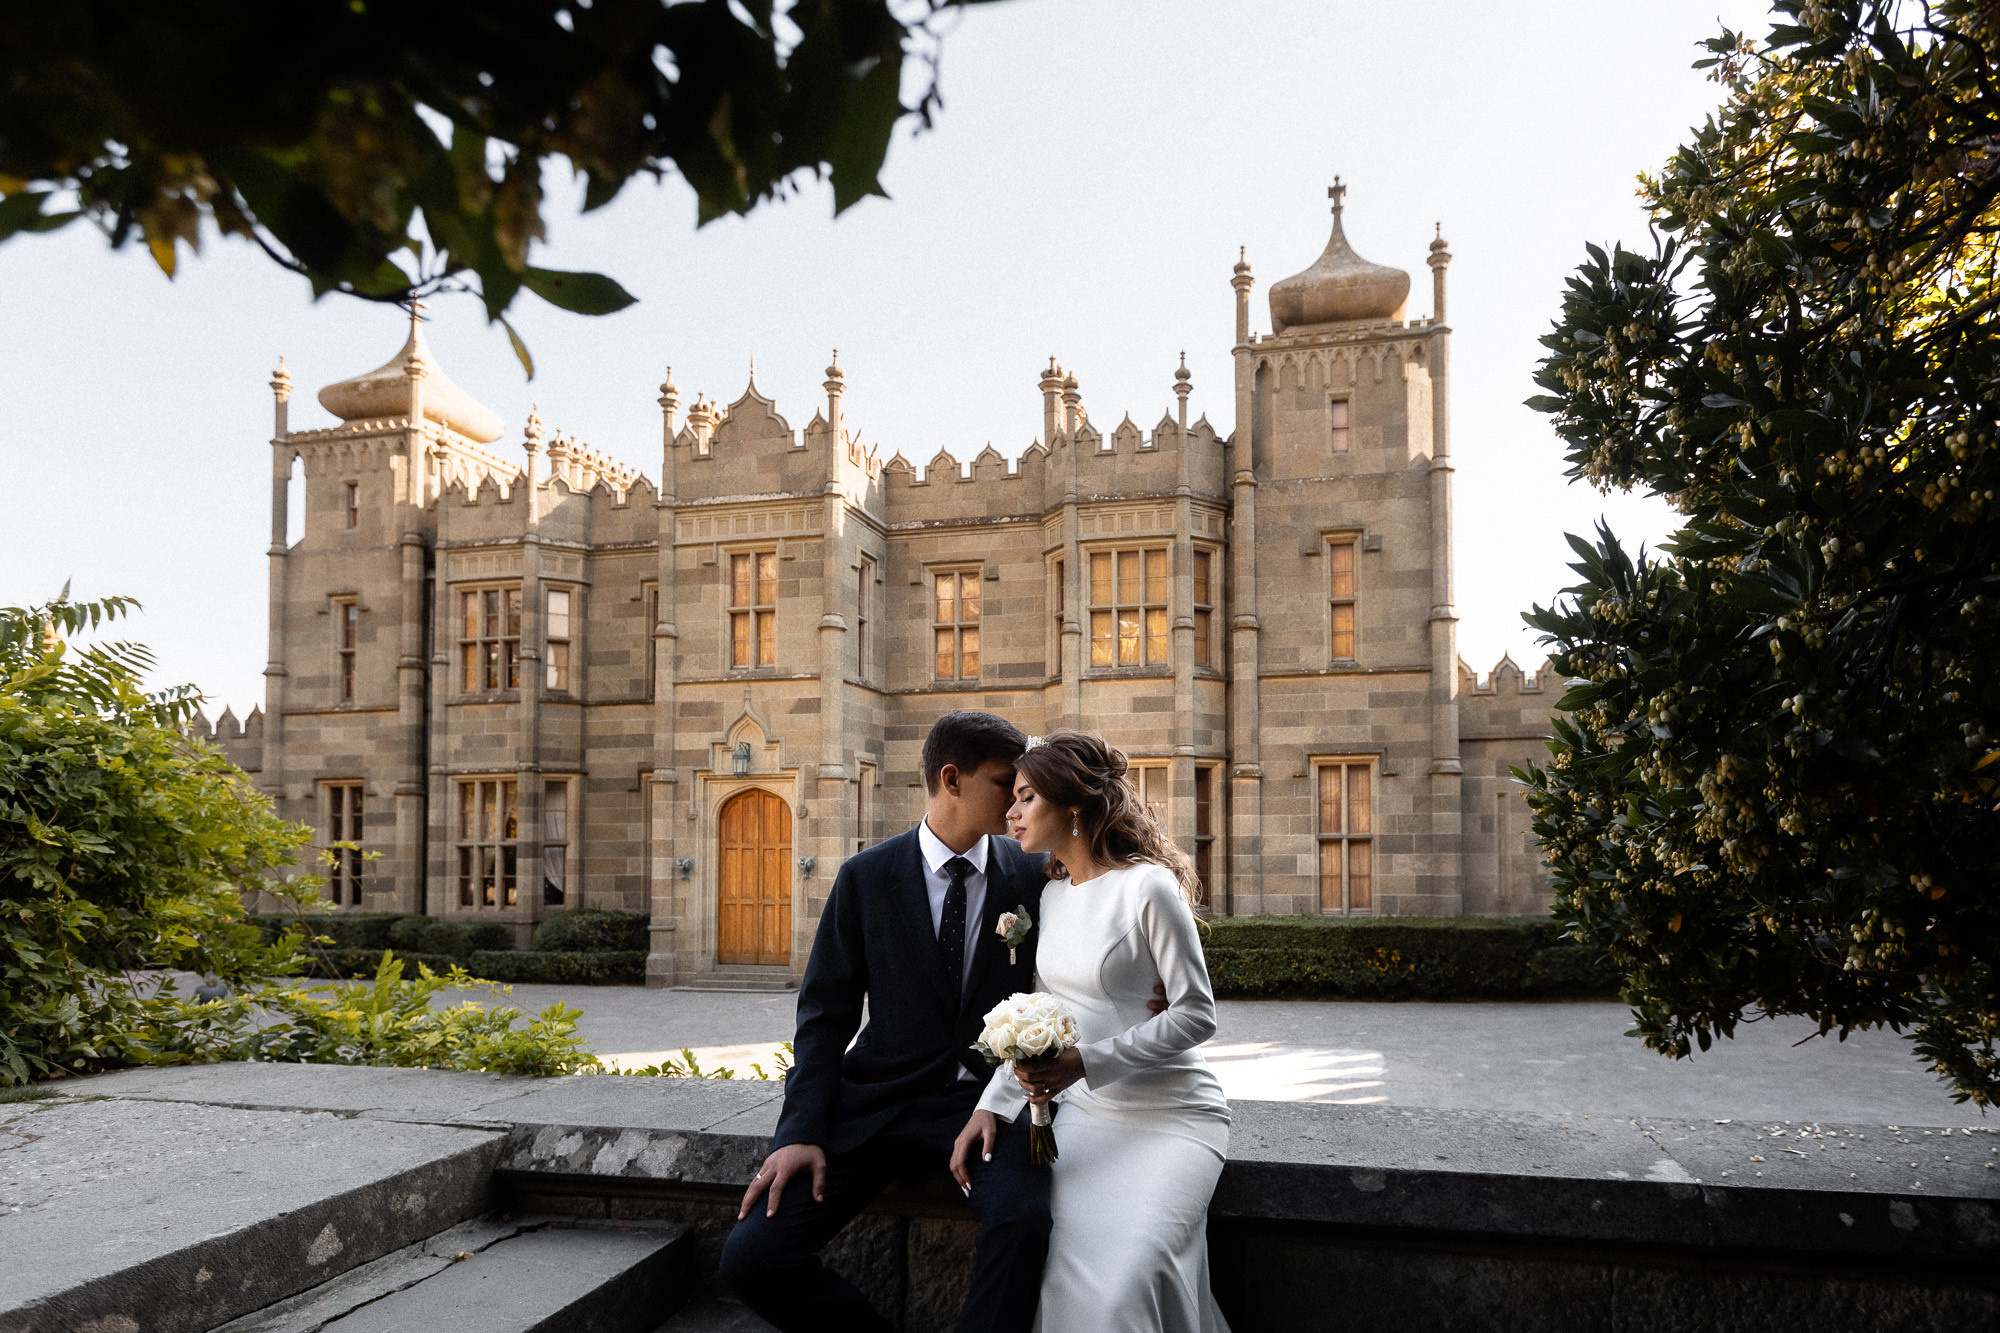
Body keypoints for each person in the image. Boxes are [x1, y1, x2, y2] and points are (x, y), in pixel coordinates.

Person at [719, 711, 1053, 1333]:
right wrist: (798, 1131)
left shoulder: (1033, 875)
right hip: (877, 1101)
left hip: (988, 1105)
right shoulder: (864, 878)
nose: (1018, 798)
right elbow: (824, 1016)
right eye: (1005, 781)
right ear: (950, 779)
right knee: (752, 1260)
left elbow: (1077, 973)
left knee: (1026, 1220)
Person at [951, 729, 1231, 1333]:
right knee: (1065, 1276)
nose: (1011, 811)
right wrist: (990, 1106)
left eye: (1026, 797)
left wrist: (1087, 1062)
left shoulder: (1148, 887)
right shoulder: (1049, 897)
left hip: (1169, 1114)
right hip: (1083, 1122)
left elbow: (1196, 1013)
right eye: (1013, 798)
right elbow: (1043, 1013)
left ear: (1071, 803)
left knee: (1131, 1277)